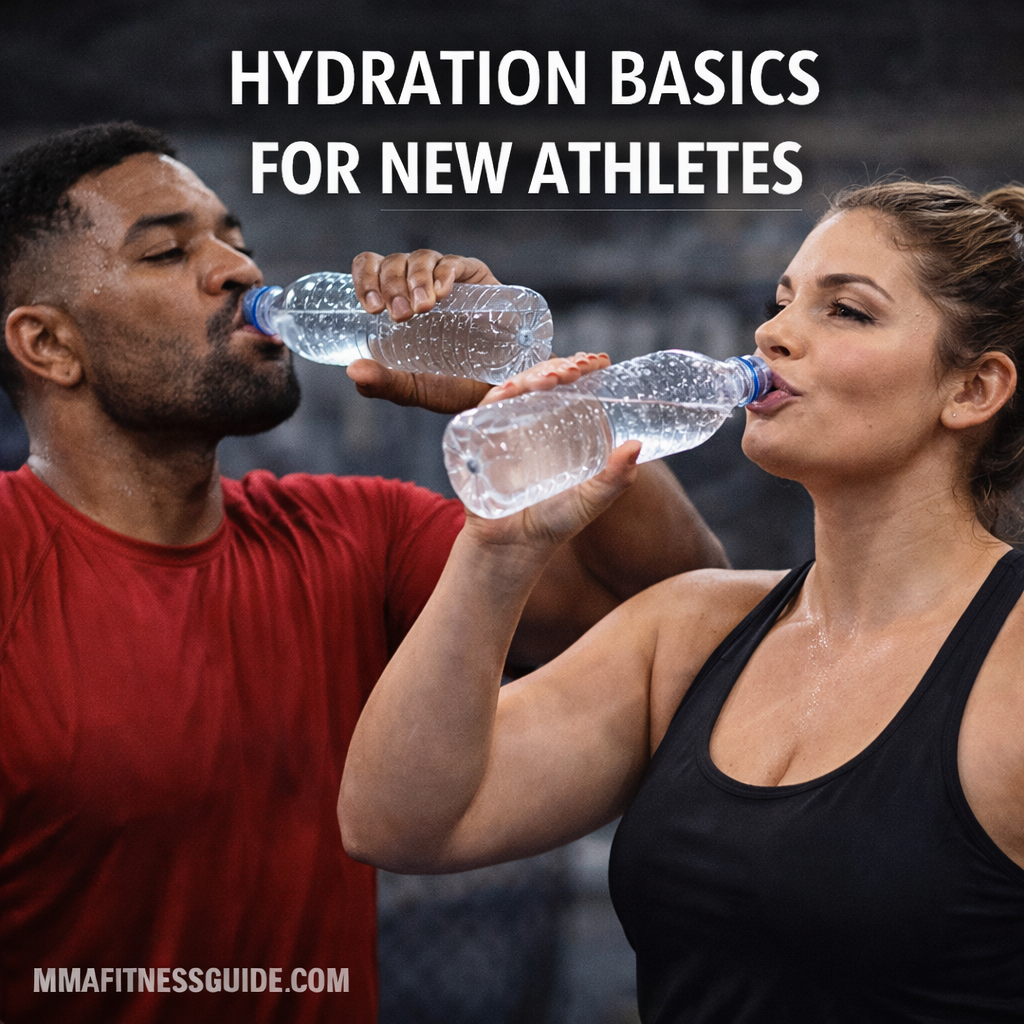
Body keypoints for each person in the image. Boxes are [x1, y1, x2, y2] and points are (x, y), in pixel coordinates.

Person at [0, 122, 727, 1024]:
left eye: (236, 240)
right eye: (166, 253)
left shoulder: (354, 534)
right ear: (49, 345)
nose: (238, 271)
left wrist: (529, 385)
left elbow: (677, 622)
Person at [341, 180, 1024, 1022]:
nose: (774, 334)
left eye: (845, 311)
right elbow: (397, 824)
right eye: (782, 302)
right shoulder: (691, 629)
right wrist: (498, 549)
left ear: (973, 390)